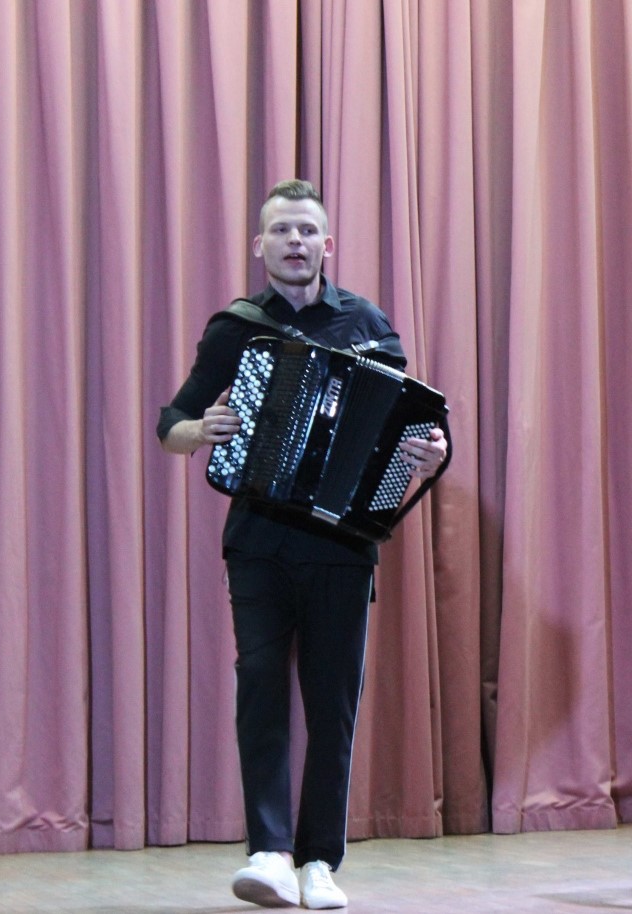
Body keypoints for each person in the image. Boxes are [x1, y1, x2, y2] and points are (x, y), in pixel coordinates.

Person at [158, 179, 448, 909]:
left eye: (307, 230)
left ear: (327, 244)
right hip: (257, 540)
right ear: (260, 245)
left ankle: (320, 862)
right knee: (259, 686)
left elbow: (405, 424)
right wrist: (201, 430)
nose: (295, 241)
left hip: (342, 544)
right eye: (282, 230)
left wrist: (429, 451)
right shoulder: (236, 328)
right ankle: (269, 851)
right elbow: (171, 425)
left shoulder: (367, 323)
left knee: (333, 703)